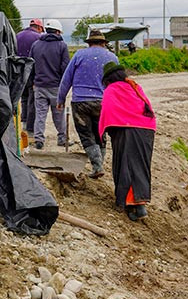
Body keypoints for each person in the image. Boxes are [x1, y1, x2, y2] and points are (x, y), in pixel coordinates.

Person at [99, 62, 156, 222]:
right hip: (147, 130)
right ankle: (140, 203)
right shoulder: (135, 86)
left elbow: (108, 112)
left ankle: (133, 206)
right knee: (140, 165)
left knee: (126, 166)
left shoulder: (111, 90)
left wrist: (105, 132)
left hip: (126, 130)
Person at [57, 30, 118, 178]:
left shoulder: (79, 55)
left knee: (86, 134)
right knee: (100, 134)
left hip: (81, 102)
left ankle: (97, 167)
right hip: (103, 102)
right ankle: (98, 165)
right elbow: (117, 83)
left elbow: (67, 78)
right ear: (104, 43)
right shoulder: (112, 58)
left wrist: (61, 98)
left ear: (89, 43)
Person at [29, 19, 69, 149]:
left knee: (40, 114)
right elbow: (65, 67)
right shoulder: (62, 46)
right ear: (57, 31)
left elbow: (30, 65)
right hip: (56, 86)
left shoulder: (36, 45)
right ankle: (62, 138)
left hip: (39, 86)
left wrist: (33, 82)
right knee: (58, 114)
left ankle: (39, 139)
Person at [16, 19, 44, 137]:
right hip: (32, 71)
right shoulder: (37, 38)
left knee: (23, 98)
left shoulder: (18, 35)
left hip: (17, 71)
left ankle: (22, 124)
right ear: (38, 27)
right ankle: (30, 129)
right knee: (32, 100)